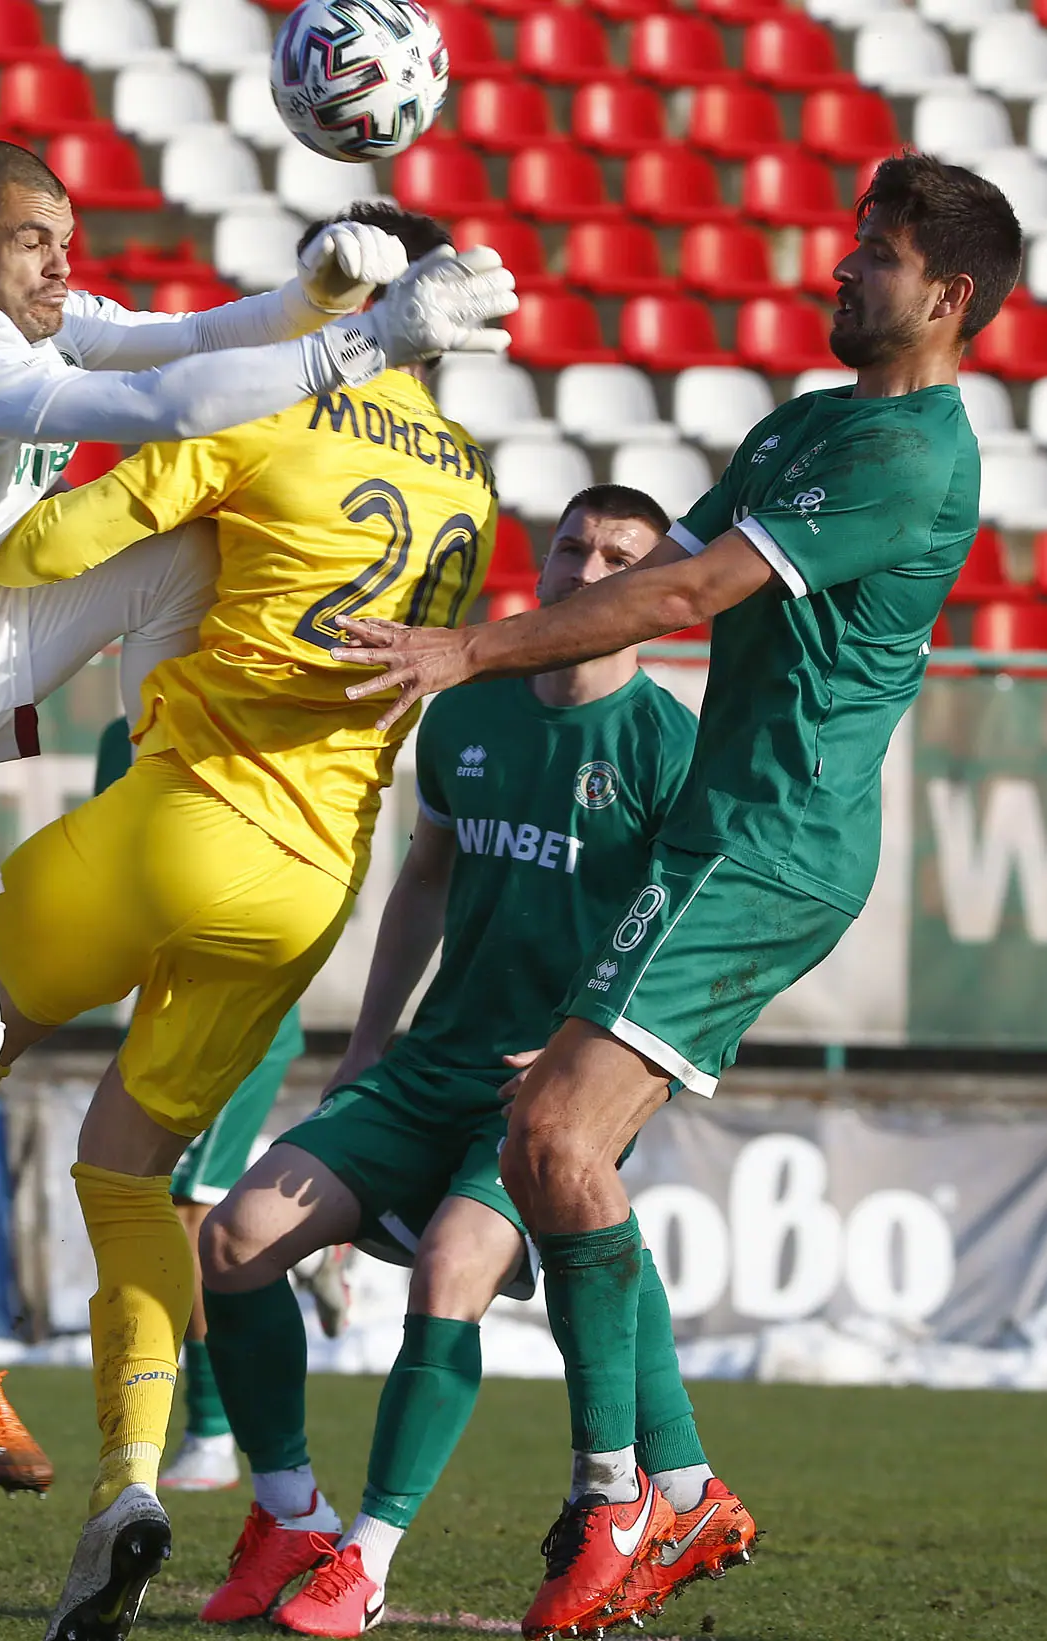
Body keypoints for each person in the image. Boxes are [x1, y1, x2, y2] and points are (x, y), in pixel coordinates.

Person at [0, 201, 509, 1641]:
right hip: (313, 886)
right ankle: (129, 1479)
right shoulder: (473, 485)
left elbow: (51, 548)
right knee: (131, 1172)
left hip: (182, 823)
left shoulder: (270, 417)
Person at [330, 154, 1022, 1638]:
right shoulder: (804, 427)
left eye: (878, 254)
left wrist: (468, 650)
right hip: (721, 833)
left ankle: (618, 1496)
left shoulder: (913, 457)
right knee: (550, 1145)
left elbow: (687, 599)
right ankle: (679, 1484)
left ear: (948, 297)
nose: (843, 267)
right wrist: (497, 646)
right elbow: (658, 569)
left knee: (548, 1136)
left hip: (774, 845)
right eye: (853, 242)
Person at [194, 486, 749, 1637]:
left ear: (656, 593)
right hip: (426, 1068)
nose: (586, 569)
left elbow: (692, 932)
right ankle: (288, 1513)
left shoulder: (665, 746)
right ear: (541, 566)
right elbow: (424, 884)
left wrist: (584, 1043)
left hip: (546, 1092)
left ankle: (366, 1560)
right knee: (234, 1241)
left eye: (620, 558)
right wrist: (365, 1045)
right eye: (571, 547)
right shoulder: (466, 713)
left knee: (451, 1268)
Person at [94, 716, 329, 1496]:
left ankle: (212, 1431)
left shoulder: (243, 721)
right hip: (165, 1013)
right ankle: (317, 1243)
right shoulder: (121, 734)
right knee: (144, 1199)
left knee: (183, 1211)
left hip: (235, 1018)